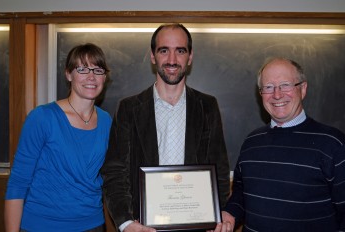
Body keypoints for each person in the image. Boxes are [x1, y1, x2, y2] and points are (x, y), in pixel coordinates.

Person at [101, 23, 232, 232]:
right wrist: (126, 224)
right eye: (164, 50)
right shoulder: (129, 108)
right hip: (143, 227)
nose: (172, 60)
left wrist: (218, 214)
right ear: (153, 56)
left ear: (190, 57)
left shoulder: (207, 106)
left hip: (196, 225)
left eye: (180, 51)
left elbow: (220, 170)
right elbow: (115, 172)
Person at [223, 57, 345, 231]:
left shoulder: (333, 144)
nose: (277, 95)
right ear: (261, 94)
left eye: (285, 85)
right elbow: (241, 193)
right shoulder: (251, 142)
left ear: (302, 89)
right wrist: (230, 213)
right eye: (268, 87)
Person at [4, 43, 112, 232]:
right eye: (82, 69)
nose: (91, 76)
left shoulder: (106, 120)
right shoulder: (42, 117)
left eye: (98, 69)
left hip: (93, 225)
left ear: (105, 77)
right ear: (68, 74)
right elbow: (18, 183)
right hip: (42, 226)